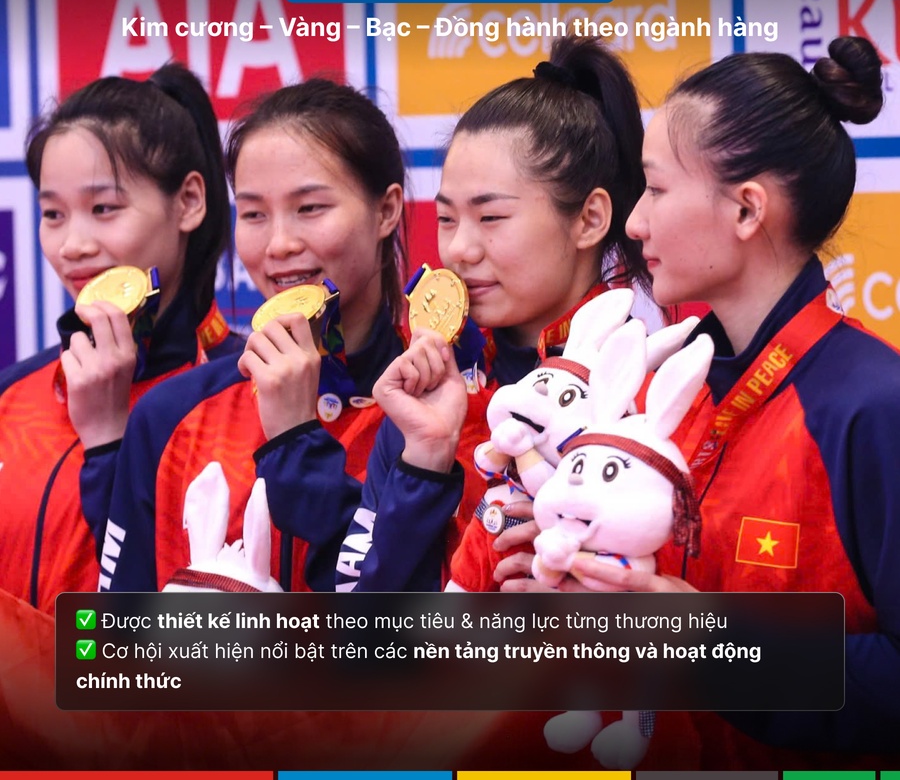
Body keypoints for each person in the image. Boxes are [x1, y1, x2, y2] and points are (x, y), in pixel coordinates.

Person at [547, 36, 900, 767]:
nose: (634, 223)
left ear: (746, 210)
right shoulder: (656, 390)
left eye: (656, 189)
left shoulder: (871, 406)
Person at [336, 34, 653, 592]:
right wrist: (424, 464)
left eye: (491, 218)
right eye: (447, 219)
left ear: (589, 219)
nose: (459, 250)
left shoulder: (646, 398)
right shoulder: (426, 394)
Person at [100, 78, 406, 593]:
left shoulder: (438, 415)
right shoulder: (171, 414)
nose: (279, 244)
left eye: (310, 208)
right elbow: (112, 634)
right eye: (254, 214)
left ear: (386, 210)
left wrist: (295, 442)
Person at [0, 63, 239, 615]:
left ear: (189, 202)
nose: (72, 245)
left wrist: (111, 444)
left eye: (103, 209)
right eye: (53, 214)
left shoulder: (246, 394)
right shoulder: (12, 393)